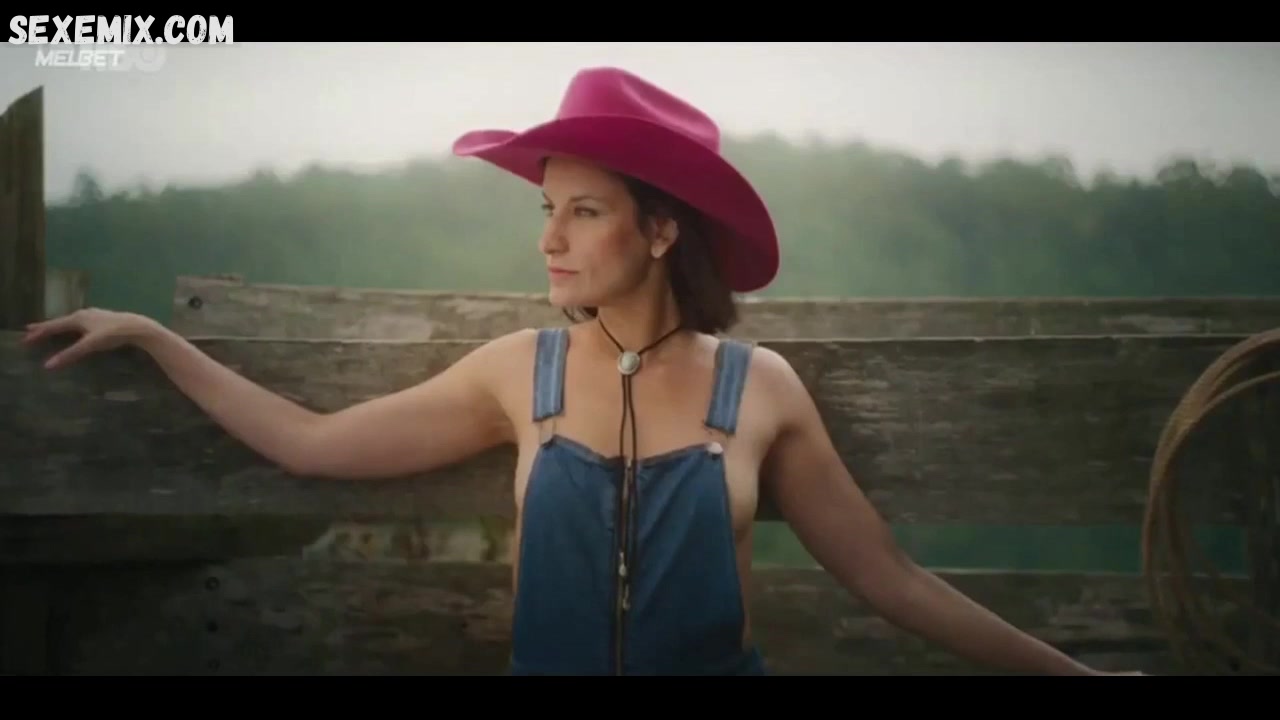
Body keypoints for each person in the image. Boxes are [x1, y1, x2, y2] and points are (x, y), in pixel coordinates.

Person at [22, 66, 1141, 677]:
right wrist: (159, 339)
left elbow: (889, 580)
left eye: (584, 212)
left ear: (660, 231)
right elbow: (313, 445)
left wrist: (1078, 680)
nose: (548, 238)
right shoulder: (519, 374)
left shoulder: (758, 389)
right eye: (547, 209)